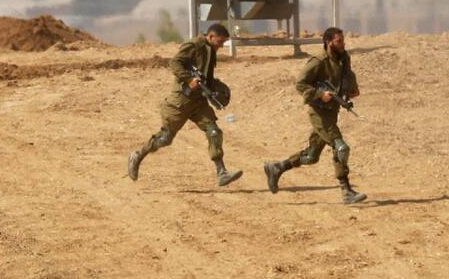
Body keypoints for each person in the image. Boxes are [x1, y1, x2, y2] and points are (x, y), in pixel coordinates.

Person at [127, 23, 243, 187]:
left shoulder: (211, 50)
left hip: (198, 102)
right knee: (165, 138)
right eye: (220, 42)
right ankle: (137, 155)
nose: (221, 46)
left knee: (214, 132)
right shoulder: (194, 45)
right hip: (180, 101)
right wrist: (189, 79)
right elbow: (174, 63)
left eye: (223, 42)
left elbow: (207, 77)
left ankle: (222, 172)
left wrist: (215, 89)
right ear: (210, 37)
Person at [263, 27, 366, 204]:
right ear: (329, 42)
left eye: (343, 40)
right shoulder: (318, 61)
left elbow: (347, 76)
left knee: (311, 157)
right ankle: (346, 190)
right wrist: (320, 94)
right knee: (341, 147)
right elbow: (300, 84)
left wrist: (352, 89)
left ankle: (277, 167)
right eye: (339, 41)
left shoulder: (344, 58)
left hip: (332, 112)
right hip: (318, 112)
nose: (343, 44)